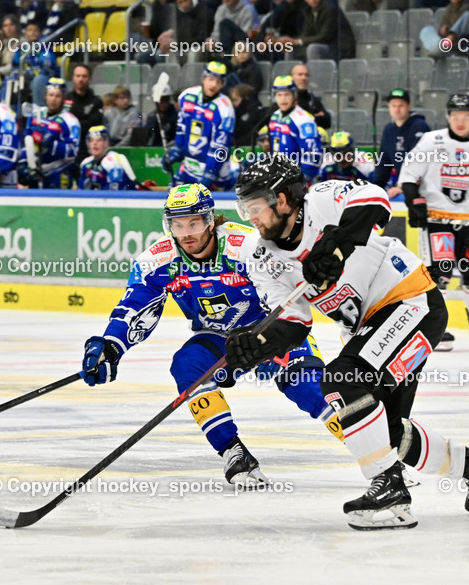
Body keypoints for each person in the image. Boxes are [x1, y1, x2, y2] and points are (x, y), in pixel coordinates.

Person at [227, 154, 469, 529]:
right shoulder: (259, 255)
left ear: (282, 199)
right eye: (244, 208)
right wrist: (258, 343)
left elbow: (376, 201)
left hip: (411, 301)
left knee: (340, 379)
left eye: (255, 206)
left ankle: (390, 491)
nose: (250, 216)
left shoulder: (323, 198)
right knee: (389, 432)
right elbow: (295, 321)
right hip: (370, 327)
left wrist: (338, 242)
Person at [80, 183, 334, 487]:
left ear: (210, 220)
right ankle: (232, 451)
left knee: (309, 389)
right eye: (178, 224)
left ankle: (386, 449)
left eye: (194, 223)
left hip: (271, 333)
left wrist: (264, 338)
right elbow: (134, 306)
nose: (186, 233)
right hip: (218, 339)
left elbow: (287, 296)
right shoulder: (159, 261)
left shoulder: (248, 246)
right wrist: (111, 345)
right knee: (187, 365)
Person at [398, 93, 469, 351]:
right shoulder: (431, 141)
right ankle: (434, 328)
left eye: (465, 116)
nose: (460, 121)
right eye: (455, 116)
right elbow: (409, 176)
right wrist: (414, 202)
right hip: (437, 219)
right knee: (440, 274)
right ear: (448, 117)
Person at [165, 61, 237, 188]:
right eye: (211, 79)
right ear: (204, 78)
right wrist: (177, 149)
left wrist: (211, 171)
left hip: (216, 174)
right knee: (175, 201)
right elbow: (182, 128)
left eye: (219, 81)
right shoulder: (187, 96)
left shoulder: (225, 108)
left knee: (213, 205)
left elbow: (221, 145)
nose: (214, 84)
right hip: (189, 167)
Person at [372, 88, 432, 197]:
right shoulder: (389, 129)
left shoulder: (420, 127)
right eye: (393, 106)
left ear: (408, 106)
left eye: (401, 105)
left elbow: (420, 161)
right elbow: (384, 163)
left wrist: (402, 187)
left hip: (424, 186)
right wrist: (376, 188)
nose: (397, 109)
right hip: (405, 185)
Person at [25, 77, 81, 188]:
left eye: (57, 96)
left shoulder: (71, 121)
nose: (53, 99)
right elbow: (27, 139)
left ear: (63, 98)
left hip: (59, 173)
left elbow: (73, 151)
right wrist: (23, 163)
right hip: (35, 172)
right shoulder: (36, 115)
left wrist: (49, 142)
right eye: (50, 95)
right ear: (45, 96)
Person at [267, 74, 321, 183]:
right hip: (280, 178)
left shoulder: (304, 119)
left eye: (287, 94)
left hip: (298, 180)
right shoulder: (275, 116)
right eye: (279, 95)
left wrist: (304, 180)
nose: (283, 99)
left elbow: (312, 154)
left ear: (294, 95)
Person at [78, 125, 140, 190]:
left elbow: (113, 194)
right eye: (91, 140)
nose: (94, 143)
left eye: (99, 140)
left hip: (125, 199)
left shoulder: (113, 162)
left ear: (106, 142)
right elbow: (81, 189)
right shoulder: (85, 163)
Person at [291, 63, 332, 130]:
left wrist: (306, 117)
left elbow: (327, 121)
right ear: (291, 77)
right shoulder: (285, 97)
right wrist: (314, 116)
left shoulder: (311, 98)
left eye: (306, 75)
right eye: (300, 74)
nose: (303, 78)